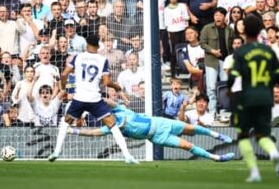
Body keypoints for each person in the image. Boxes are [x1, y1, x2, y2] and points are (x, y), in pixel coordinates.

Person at [48, 35, 138, 164]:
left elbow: (64, 74)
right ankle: (127, 156)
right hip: (95, 99)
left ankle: (56, 151)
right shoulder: (102, 60)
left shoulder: (77, 57)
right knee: (113, 125)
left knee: (65, 122)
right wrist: (117, 87)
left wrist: (63, 88)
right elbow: (107, 82)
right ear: (97, 46)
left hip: (79, 98)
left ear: (86, 45)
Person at [68, 97, 235, 162]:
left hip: (161, 123)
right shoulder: (111, 127)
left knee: (192, 128)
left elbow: (109, 101)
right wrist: (74, 131)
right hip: (156, 137)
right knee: (187, 146)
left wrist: (94, 99)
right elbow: (94, 133)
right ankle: (216, 157)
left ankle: (217, 134)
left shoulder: (118, 110)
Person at [228, 15, 279, 182]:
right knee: (263, 135)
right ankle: (274, 152)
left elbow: (233, 75)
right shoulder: (268, 50)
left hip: (247, 98)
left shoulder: (241, 51)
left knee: (243, 136)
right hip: (266, 98)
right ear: (261, 30)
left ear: (244, 30)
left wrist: (230, 90)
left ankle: (254, 172)